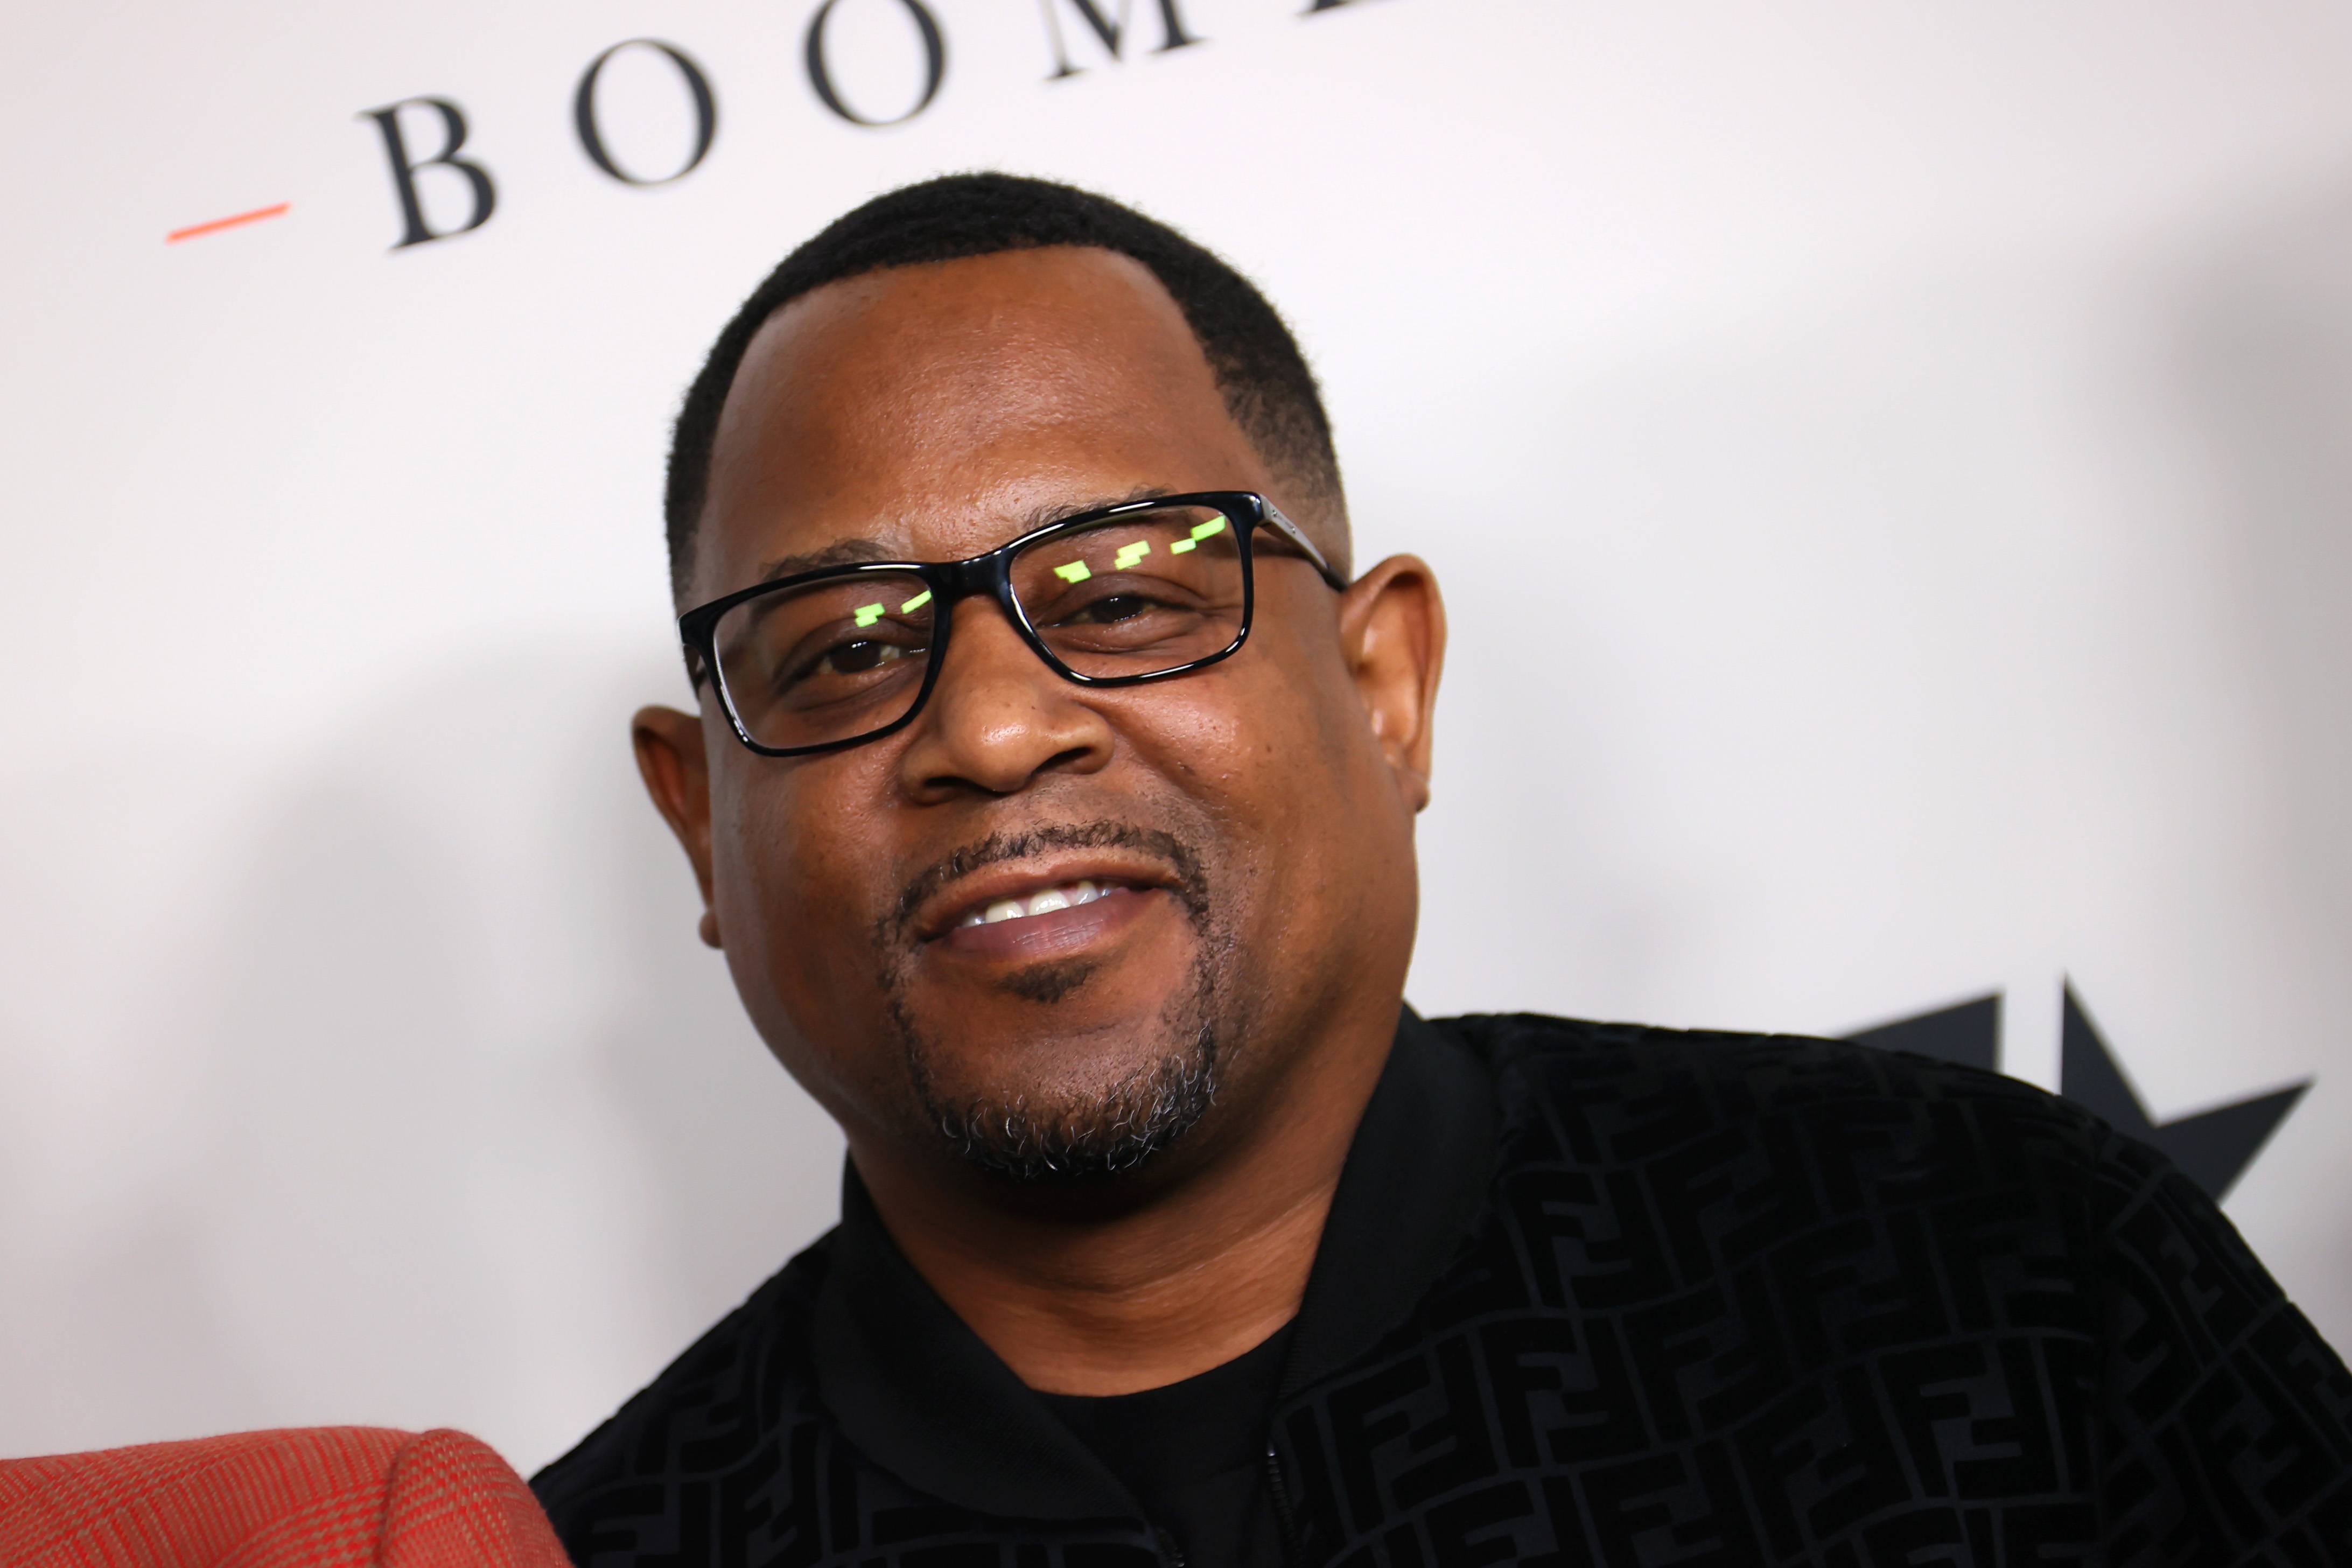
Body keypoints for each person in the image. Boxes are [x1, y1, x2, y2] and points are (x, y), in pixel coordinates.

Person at [530, 173, 2352, 1566]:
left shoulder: (1994, 1265)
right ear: (702, 818)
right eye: (845, 645)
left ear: (1385, 686)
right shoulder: (586, 1559)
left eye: (1129, 594)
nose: (994, 730)